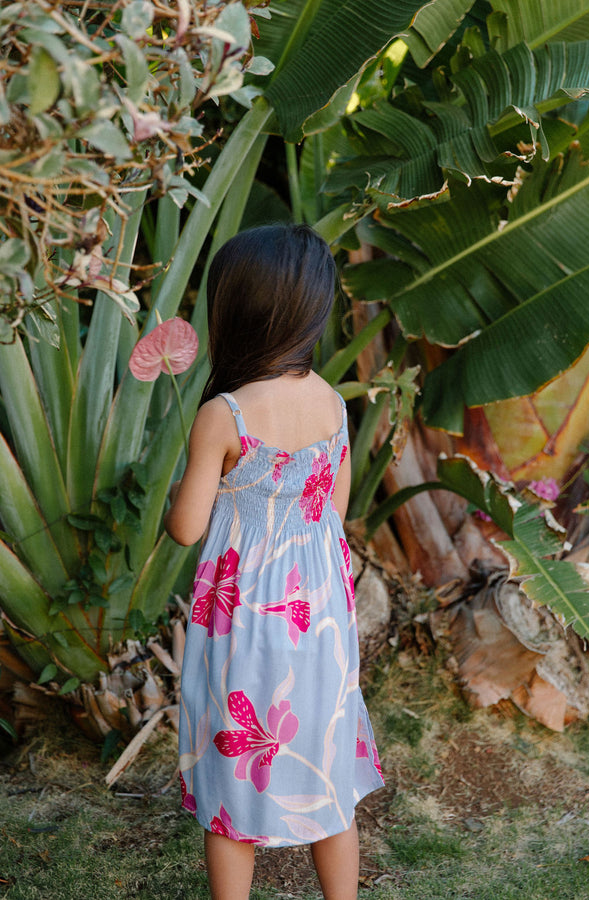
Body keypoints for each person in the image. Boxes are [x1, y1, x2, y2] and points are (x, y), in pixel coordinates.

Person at [164, 224, 384, 900]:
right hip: (318, 617)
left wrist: (182, 491)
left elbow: (186, 529)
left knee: (236, 775)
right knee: (324, 767)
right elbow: (333, 513)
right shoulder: (330, 402)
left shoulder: (224, 415)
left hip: (246, 624)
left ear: (236, 314)